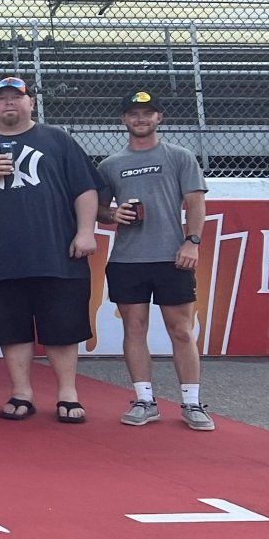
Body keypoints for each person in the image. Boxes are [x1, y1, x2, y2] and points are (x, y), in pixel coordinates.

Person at [0, 76, 101, 424]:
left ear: (31, 103)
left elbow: (85, 189)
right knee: (10, 329)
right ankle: (21, 392)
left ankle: (67, 393)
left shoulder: (57, 139)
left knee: (63, 328)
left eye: (17, 97)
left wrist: (86, 231)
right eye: (2, 99)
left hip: (56, 253)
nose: (10, 103)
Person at [98, 88, 211, 430]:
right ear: (123, 120)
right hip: (127, 260)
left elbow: (195, 202)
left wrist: (191, 242)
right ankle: (144, 400)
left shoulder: (179, 156)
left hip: (172, 258)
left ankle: (192, 403)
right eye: (133, 113)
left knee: (181, 330)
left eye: (147, 113)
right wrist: (113, 214)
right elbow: (100, 209)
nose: (141, 119)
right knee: (134, 328)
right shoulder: (110, 164)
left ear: (159, 117)